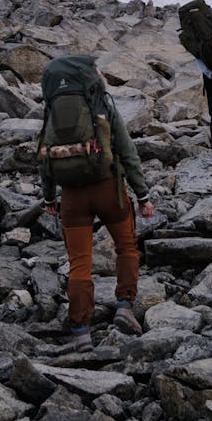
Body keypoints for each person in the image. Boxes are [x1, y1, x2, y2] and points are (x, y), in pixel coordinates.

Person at [39, 55, 154, 351]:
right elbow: (127, 152)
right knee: (126, 247)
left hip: (72, 196)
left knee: (80, 263)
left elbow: (44, 157)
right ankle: (125, 307)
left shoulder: (52, 111)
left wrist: (49, 197)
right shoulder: (102, 106)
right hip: (108, 190)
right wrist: (143, 196)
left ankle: (81, 331)